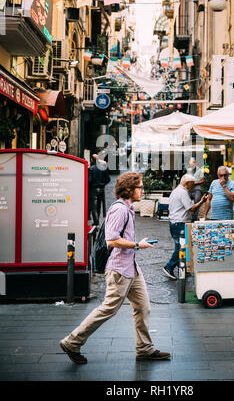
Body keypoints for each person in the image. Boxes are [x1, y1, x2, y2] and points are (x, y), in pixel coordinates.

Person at [60, 172, 171, 364]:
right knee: (108, 309)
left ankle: (144, 348)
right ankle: (72, 341)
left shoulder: (128, 209)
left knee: (142, 306)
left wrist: (137, 245)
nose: (142, 191)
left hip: (131, 268)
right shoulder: (119, 210)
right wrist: (137, 245)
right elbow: (111, 240)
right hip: (119, 270)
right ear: (129, 189)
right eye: (140, 187)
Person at [163, 174, 208, 280]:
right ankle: (169, 267)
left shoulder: (176, 191)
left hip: (174, 222)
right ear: (187, 183)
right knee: (181, 247)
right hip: (180, 222)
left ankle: (182, 268)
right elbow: (191, 208)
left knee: (180, 246)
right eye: (191, 185)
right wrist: (201, 201)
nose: (192, 187)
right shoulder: (183, 192)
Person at [88, 154, 110, 224]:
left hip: (93, 190)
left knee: (93, 207)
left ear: (92, 159)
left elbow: (89, 180)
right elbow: (108, 179)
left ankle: (96, 222)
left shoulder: (91, 169)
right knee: (98, 206)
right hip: (101, 189)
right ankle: (97, 222)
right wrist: (103, 184)